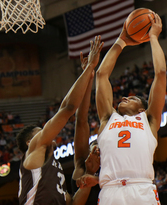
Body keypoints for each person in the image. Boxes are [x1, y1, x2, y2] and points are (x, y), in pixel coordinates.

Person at [89, 12, 166, 205]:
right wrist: (121, 40)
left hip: (141, 189)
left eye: (131, 98)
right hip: (110, 191)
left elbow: (161, 73)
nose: (123, 98)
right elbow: (101, 75)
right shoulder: (108, 118)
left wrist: (154, 38)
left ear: (142, 109)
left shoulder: (149, 120)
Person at [16, 36, 103, 205]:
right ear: (29, 142)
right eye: (40, 131)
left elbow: (73, 203)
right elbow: (68, 110)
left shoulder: (53, 171)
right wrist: (89, 68)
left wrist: (90, 175)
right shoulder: (35, 148)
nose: (45, 131)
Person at [70, 52, 101, 205]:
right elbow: (81, 120)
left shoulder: (113, 168)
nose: (96, 149)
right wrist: (88, 76)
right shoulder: (81, 165)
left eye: (99, 149)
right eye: (93, 147)